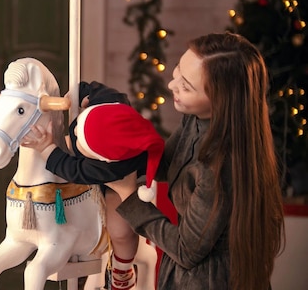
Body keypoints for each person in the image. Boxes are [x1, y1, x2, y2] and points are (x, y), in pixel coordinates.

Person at [103, 33, 285, 290]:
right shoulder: (198, 117)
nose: (171, 85)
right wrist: (111, 134)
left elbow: (186, 250)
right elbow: (167, 164)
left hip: (207, 281)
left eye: (186, 86)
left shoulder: (220, 166)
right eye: (178, 70)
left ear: (220, 101)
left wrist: (128, 195)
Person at [21, 81, 164, 290]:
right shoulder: (110, 101)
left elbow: (72, 169)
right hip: (106, 146)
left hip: (125, 180)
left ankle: (122, 269)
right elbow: (90, 87)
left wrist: (46, 148)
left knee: (120, 229)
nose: (75, 131)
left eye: (80, 139)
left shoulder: (105, 170)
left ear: (99, 159)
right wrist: (78, 97)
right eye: (79, 125)